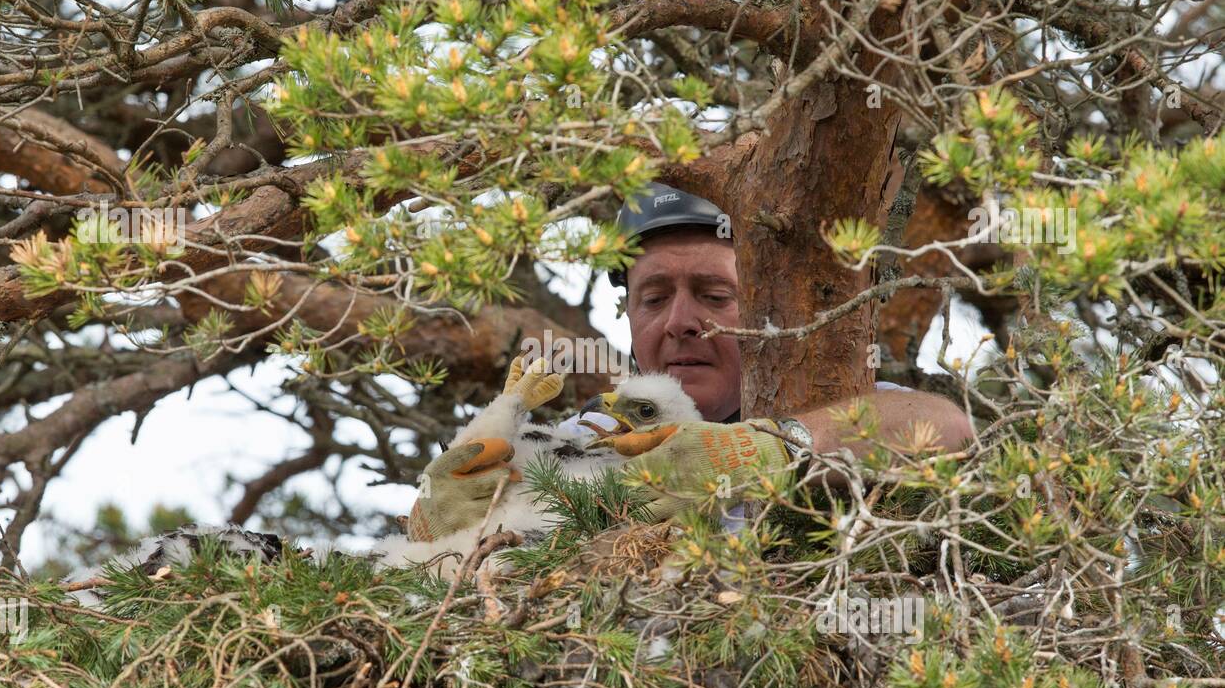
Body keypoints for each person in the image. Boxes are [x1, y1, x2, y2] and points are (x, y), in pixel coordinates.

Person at [406, 183, 975, 543]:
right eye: (653, 299)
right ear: (628, 314)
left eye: (715, 295)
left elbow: (948, 427)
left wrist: (776, 446)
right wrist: (436, 524)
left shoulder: (845, 391)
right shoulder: (586, 433)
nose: (680, 320)